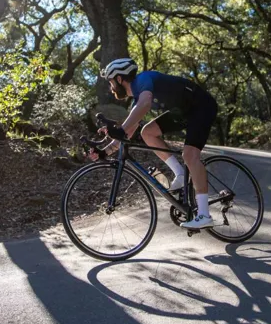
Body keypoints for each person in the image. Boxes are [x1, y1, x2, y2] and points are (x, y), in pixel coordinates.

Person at [90, 57, 219, 229]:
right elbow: (126, 132)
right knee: (147, 132)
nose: (111, 87)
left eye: (111, 82)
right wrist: (103, 152)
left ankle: (204, 214)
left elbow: (145, 103)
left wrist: (121, 129)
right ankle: (180, 174)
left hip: (201, 106)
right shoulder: (138, 98)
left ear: (119, 79)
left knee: (189, 155)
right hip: (182, 112)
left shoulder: (143, 80)